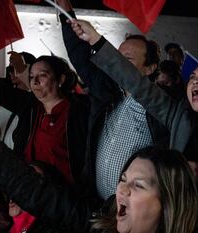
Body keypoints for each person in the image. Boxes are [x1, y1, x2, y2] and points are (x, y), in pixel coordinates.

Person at [69, 18, 198, 232]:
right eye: (192, 77)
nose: (196, 81)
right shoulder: (177, 116)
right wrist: (97, 41)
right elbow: (137, 84)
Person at [0, 96, 198, 233]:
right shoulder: (98, 225)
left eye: (139, 185)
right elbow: (33, 191)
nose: (121, 190)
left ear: (169, 201)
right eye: (123, 179)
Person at [57, 0, 170, 204]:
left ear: (151, 68)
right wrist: (66, 14)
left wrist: (97, 40)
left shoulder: (160, 106)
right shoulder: (107, 92)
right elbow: (81, 58)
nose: (116, 64)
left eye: (126, 60)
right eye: (116, 57)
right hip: (97, 205)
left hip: (134, 211)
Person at [0, 42, 90, 185]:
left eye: (42, 75)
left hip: (63, 194)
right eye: (31, 76)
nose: (34, 81)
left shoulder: (79, 111)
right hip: (27, 188)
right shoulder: (29, 105)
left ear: (60, 79)